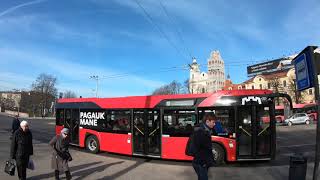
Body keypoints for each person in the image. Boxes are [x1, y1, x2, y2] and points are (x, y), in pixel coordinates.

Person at [192, 113, 216, 180]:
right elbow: (198, 148)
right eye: (213, 122)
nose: (214, 124)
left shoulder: (206, 130)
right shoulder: (200, 131)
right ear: (207, 121)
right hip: (200, 162)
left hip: (202, 161)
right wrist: (203, 163)